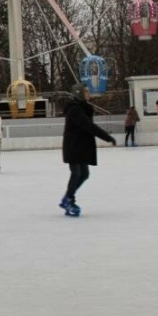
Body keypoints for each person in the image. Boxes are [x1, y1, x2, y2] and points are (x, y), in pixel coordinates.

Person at [59, 83, 117, 217]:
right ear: (79, 93)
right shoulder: (75, 109)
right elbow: (88, 126)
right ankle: (69, 200)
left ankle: (67, 197)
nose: (88, 93)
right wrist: (107, 137)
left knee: (84, 174)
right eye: (86, 91)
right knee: (76, 172)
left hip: (81, 146)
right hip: (73, 146)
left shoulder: (83, 108)